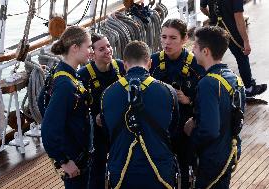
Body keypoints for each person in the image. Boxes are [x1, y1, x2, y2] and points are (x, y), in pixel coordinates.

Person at [101, 40, 180, 189]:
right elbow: (174, 129)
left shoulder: (107, 94)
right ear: (150, 63)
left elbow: (107, 132)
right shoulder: (168, 91)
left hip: (122, 173)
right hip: (159, 171)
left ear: (124, 65)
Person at [184, 26, 245, 189]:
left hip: (212, 158)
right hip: (229, 151)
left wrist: (191, 134)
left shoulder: (209, 83)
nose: (193, 49)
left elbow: (210, 130)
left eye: (195, 46)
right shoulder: (234, 78)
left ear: (205, 51)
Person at [150, 18, 205, 189]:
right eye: (164, 37)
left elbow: (208, 100)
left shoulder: (197, 64)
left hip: (185, 129)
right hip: (160, 130)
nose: (167, 42)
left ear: (184, 39)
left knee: (187, 169)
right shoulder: (152, 62)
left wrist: (188, 100)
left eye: (173, 38)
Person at [39, 26, 93, 189]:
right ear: (75, 48)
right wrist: (64, 161)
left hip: (79, 154)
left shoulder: (64, 73)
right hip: (75, 162)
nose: (91, 51)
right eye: (88, 46)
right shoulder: (65, 85)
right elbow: (48, 129)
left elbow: (42, 100)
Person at [77, 33, 125, 189]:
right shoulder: (83, 76)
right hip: (97, 133)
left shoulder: (121, 67)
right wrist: (92, 116)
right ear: (92, 54)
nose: (108, 51)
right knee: (97, 169)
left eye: (109, 46)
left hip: (120, 127)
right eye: (102, 49)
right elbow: (77, 108)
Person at [200, 0, 267, 97]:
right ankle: (249, 88)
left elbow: (202, 8)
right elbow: (238, 18)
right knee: (242, 56)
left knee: (213, 59)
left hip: (215, 28)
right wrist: (246, 41)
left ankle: (210, 88)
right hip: (231, 30)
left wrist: (212, 16)